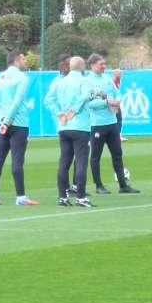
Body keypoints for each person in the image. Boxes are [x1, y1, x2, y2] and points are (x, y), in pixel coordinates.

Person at [0, 51, 39, 206]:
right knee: (17, 160)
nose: (25, 61)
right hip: (18, 123)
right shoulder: (22, 78)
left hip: (1, 123)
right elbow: (17, 101)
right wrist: (8, 120)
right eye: (23, 59)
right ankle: (21, 197)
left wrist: (2, 119)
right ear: (16, 61)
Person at [87, 54, 140, 195]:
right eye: (100, 64)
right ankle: (98, 186)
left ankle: (123, 185)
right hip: (97, 124)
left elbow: (117, 93)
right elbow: (89, 103)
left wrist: (117, 101)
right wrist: (106, 102)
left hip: (112, 123)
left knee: (117, 154)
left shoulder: (107, 78)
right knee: (95, 156)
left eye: (104, 63)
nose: (104, 66)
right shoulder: (88, 81)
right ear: (92, 65)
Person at [51, 56, 96, 207]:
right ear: (82, 66)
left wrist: (59, 113)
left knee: (64, 162)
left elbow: (48, 100)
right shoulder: (85, 81)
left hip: (64, 127)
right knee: (81, 162)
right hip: (80, 126)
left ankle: (62, 197)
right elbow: (85, 96)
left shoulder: (60, 81)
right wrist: (74, 110)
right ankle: (81, 197)